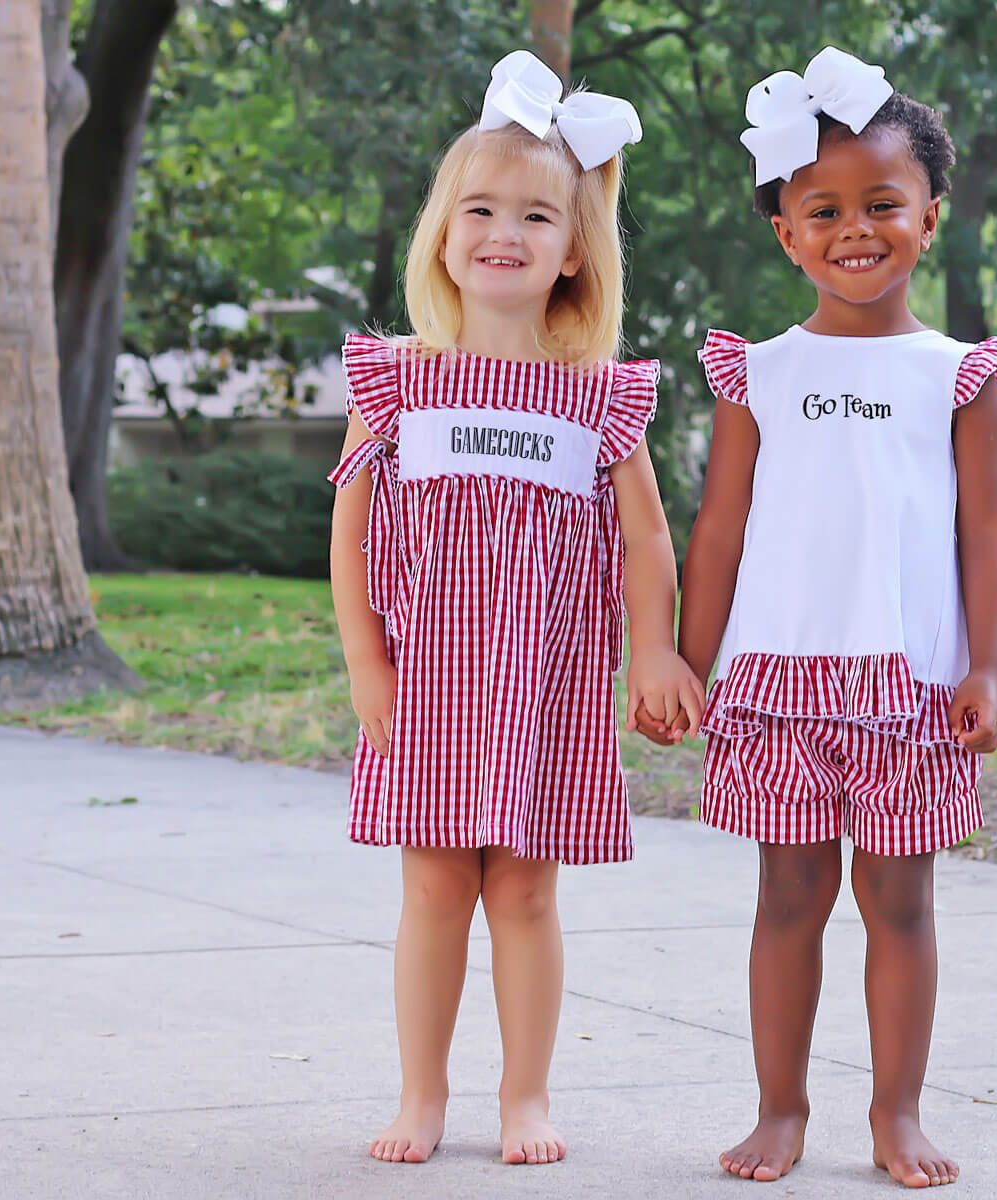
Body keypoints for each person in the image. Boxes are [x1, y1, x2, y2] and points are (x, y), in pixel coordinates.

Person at [328, 50, 705, 1167]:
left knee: (527, 889)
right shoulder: (400, 377)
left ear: (576, 250)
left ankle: (525, 1098)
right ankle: (422, 1094)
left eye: (538, 215)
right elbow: (349, 528)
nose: (505, 231)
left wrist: (655, 652)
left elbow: (644, 532)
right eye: (480, 209)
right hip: (430, 674)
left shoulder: (598, 393)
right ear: (443, 235)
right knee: (437, 885)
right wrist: (363, 660)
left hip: (546, 678)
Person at [674, 46, 997, 1189]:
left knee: (900, 902)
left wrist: (987, 669)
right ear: (787, 233)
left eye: (883, 203)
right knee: (787, 897)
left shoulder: (961, 375)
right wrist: (688, 665)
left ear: (931, 211)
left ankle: (898, 1113)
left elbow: (986, 533)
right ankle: (780, 1109)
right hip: (776, 677)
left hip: (910, 683)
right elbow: (719, 532)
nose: (855, 229)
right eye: (822, 210)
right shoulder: (758, 373)